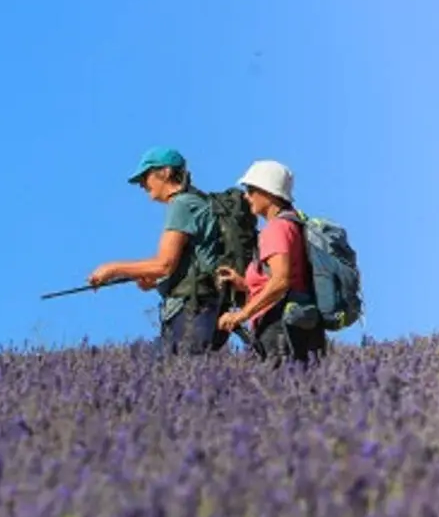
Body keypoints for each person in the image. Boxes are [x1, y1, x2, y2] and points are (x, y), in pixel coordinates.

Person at [87, 146, 230, 355]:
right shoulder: (197, 201)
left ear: (165, 172)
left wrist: (112, 269)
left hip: (191, 310)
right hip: (203, 308)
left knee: (173, 369)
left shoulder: (181, 205)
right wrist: (155, 282)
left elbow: (164, 264)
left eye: (145, 176)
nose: (142, 184)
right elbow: (192, 262)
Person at [216, 160, 328, 367]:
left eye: (250, 190)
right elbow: (290, 277)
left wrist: (241, 315)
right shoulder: (295, 222)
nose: (246, 196)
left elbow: (281, 281)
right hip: (301, 322)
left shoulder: (277, 229)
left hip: (279, 326)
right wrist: (244, 284)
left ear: (268, 193)